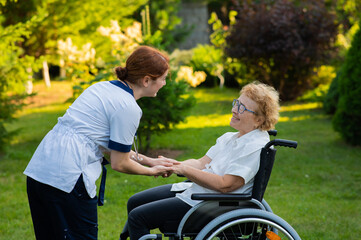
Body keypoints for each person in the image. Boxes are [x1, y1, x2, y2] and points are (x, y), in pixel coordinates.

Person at [24, 45, 178, 240]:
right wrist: (152, 171)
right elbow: (119, 162)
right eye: (163, 78)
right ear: (146, 80)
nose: (164, 83)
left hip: (41, 170)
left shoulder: (102, 87)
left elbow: (104, 143)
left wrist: (150, 161)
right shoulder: (128, 107)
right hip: (68, 178)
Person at [121, 82, 280, 240]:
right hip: (202, 193)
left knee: (137, 217)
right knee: (135, 201)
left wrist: (183, 170)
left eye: (242, 108)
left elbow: (226, 185)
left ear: (258, 120)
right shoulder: (230, 138)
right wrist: (174, 164)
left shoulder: (254, 146)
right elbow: (200, 163)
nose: (233, 110)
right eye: (236, 103)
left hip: (215, 204)